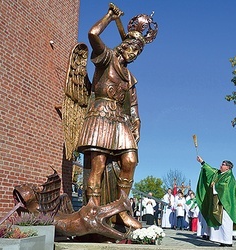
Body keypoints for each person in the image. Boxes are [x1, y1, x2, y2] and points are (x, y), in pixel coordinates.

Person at [76, 4, 157, 229]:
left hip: (120, 122)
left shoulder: (130, 78)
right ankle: (92, 207)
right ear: (124, 46)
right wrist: (110, 17)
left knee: (130, 160)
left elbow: (133, 107)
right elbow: (92, 34)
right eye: (132, 49)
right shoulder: (106, 58)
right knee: (98, 165)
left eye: (138, 53)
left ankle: (121, 208)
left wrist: (138, 123)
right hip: (101, 115)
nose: (134, 54)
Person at [196, 156, 236, 247]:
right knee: (220, 223)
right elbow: (210, 170)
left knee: (226, 222)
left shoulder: (229, 176)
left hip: (226, 203)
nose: (220, 166)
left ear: (228, 167)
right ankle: (221, 240)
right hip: (217, 201)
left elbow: (225, 187)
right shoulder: (218, 174)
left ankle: (227, 241)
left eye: (223, 165)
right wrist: (202, 162)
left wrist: (215, 185)